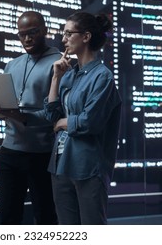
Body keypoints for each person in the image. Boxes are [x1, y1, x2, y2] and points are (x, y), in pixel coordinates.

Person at [44, 11, 122, 225]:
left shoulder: (102, 76)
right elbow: (52, 114)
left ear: (86, 37)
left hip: (88, 166)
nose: (63, 39)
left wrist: (64, 122)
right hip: (60, 163)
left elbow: (90, 122)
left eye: (69, 34)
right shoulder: (69, 74)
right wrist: (56, 78)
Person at [0, 11, 60, 224]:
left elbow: (57, 113)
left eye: (33, 33)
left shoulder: (60, 63)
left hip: (42, 155)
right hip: (9, 153)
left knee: (46, 218)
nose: (27, 39)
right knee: (8, 218)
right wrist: (0, 110)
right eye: (22, 34)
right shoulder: (12, 64)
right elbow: (10, 105)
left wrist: (22, 117)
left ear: (45, 31)